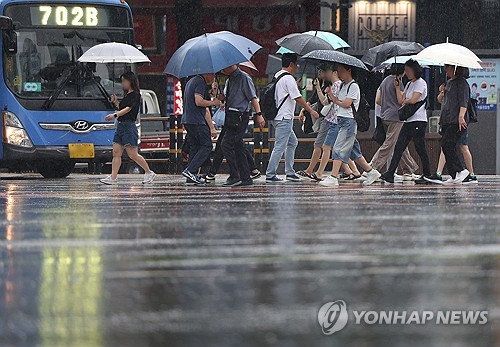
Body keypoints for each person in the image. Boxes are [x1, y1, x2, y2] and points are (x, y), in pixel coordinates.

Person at [319, 64, 381, 187]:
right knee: (355, 153)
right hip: (341, 121)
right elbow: (337, 101)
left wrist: (335, 100)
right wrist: (331, 95)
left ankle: (333, 177)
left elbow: (347, 103)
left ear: (349, 71)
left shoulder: (354, 86)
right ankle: (371, 172)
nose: (339, 73)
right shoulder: (343, 85)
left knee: (338, 148)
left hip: (348, 122)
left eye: (341, 71)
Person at [266, 53, 319, 183]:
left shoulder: (278, 75)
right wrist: (311, 110)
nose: (297, 66)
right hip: (284, 117)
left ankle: (290, 172)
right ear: (291, 64)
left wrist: (295, 84)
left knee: (292, 142)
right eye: (296, 64)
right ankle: (270, 173)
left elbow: (283, 91)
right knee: (279, 146)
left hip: (277, 116)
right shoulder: (288, 78)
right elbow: (298, 98)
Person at [380, 59, 432, 184]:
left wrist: (405, 99)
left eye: (408, 70)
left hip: (418, 120)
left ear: (415, 70)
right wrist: (398, 87)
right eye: (406, 70)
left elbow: (413, 100)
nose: (407, 73)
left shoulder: (421, 83)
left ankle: (427, 174)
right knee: (399, 146)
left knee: (420, 148)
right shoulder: (409, 84)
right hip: (409, 121)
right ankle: (390, 173)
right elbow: (400, 100)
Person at [100, 72, 156, 185]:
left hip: (129, 126)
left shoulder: (136, 95)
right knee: (116, 152)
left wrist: (115, 115)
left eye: (124, 81)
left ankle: (149, 172)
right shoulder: (127, 95)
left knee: (132, 154)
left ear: (130, 81)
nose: (122, 84)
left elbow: (128, 109)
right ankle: (113, 177)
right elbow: (122, 107)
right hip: (121, 126)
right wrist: (116, 102)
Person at [218, 65, 265, 187]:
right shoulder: (229, 80)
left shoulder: (244, 77)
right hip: (230, 114)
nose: (222, 69)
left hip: (239, 115)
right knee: (238, 145)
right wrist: (222, 98)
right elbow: (227, 98)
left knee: (226, 144)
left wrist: (259, 114)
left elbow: (253, 97)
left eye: (225, 66)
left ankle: (236, 175)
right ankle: (245, 177)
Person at [371, 64, 419, 180]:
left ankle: (408, 170)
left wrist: (387, 103)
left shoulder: (385, 81)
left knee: (399, 143)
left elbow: (378, 100)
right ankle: (372, 167)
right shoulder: (398, 82)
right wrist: (399, 90)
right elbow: (400, 101)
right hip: (396, 118)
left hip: (384, 116)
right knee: (389, 144)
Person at [425, 65, 470, 185]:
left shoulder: (462, 83)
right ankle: (454, 174)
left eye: (448, 68)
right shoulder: (449, 83)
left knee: (447, 143)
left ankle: (461, 170)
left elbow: (464, 101)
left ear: (454, 69)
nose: (445, 70)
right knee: (446, 146)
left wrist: (461, 116)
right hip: (447, 119)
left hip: (456, 120)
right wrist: (441, 92)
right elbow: (442, 100)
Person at [181, 73, 220, 185]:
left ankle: (190, 176)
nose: (213, 76)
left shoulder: (191, 80)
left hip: (188, 119)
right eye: (212, 74)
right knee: (206, 145)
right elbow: (198, 101)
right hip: (197, 120)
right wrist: (213, 102)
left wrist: (210, 93)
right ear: (206, 72)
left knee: (195, 147)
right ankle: (191, 170)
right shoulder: (200, 82)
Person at [296, 64, 332, 179]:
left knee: (319, 145)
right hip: (322, 118)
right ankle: (352, 170)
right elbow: (312, 99)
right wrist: (303, 109)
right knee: (335, 147)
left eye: (321, 71)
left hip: (327, 118)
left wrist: (318, 88)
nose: (319, 73)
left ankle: (310, 171)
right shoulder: (320, 84)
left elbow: (325, 101)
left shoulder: (329, 85)